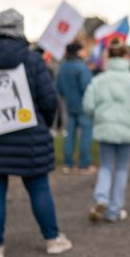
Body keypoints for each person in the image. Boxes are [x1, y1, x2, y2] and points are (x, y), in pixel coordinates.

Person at [0, 8, 72, 257]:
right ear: (21, 27)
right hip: (29, 134)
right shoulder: (32, 59)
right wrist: (42, 120)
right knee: (39, 187)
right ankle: (52, 240)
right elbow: (49, 98)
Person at [83, 39, 130, 222]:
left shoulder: (98, 80)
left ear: (108, 56)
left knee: (106, 167)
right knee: (122, 169)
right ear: (126, 56)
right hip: (128, 130)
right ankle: (114, 210)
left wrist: (99, 114)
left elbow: (88, 106)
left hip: (106, 128)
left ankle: (101, 198)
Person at [55, 42, 95, 174]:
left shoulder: (62, 67)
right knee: (85, 135)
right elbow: (87, 88)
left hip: (69, 105)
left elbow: (58, 88)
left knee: (70, 135)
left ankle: (68, 163)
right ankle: (84, 163)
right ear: (78, 52)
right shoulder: (81, 67)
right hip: (83, 106)